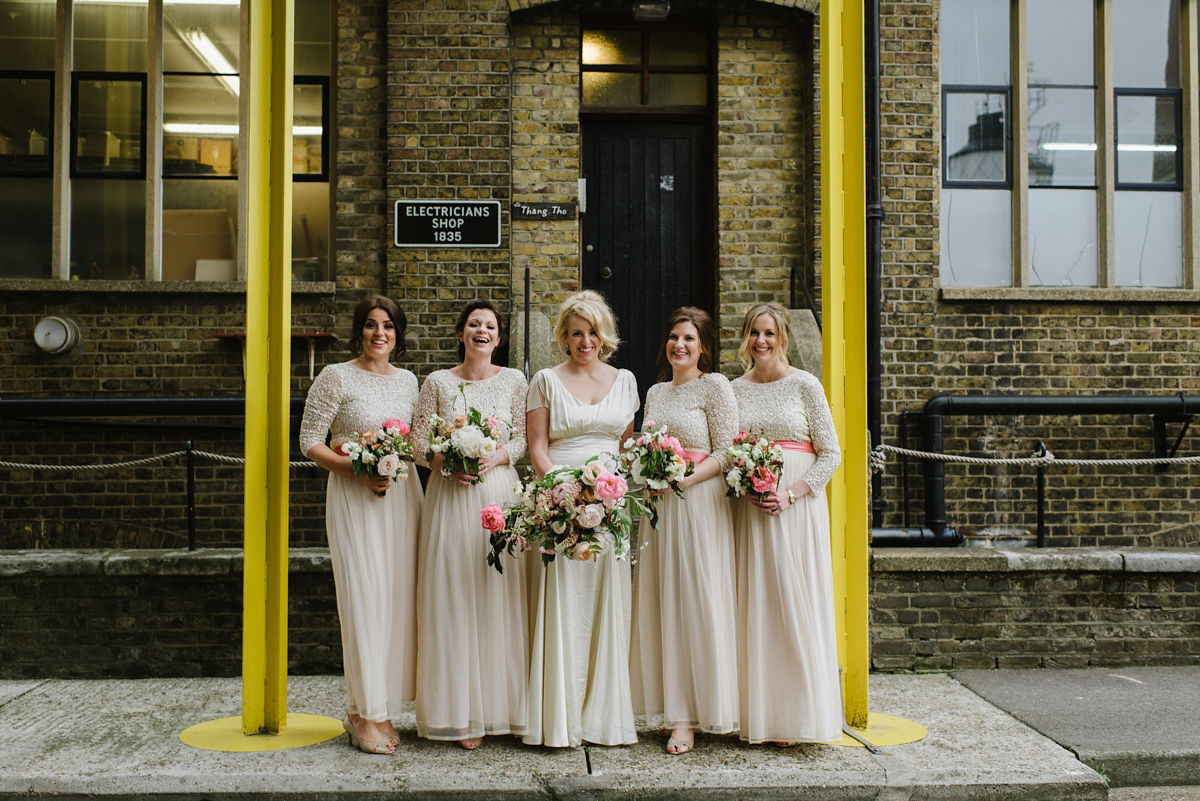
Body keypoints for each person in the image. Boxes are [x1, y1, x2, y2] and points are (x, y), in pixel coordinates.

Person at [298, 296, 422, 755]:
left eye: (387, 326)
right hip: (353, 495)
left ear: (398, 334)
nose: (379, 334)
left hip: (403, 499)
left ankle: (381, 706)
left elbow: (419, 443)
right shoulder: (336, 376)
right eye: (370, 325)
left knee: (396, 600)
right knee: (363, 598)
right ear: (359, 331)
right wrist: (355, 469)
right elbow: (309, 440)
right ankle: (359, 712)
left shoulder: (410, 382)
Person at [523, 289, 640, 748]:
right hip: (562, 503)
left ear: (603, 334)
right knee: (565, 602)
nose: (584, 341)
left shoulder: (626, 380)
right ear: (564, 337)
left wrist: (607, 493)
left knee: (608, 602)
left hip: (611, 507)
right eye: (575, 333)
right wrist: (568, 493)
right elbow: (537, 448)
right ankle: (563, 718)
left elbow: (625, 447)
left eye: (591, 332)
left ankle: (603, 718)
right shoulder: (546, 381)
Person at [412, 300, 529, 749]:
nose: (482, 331)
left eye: (490, 326)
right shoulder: (437, 382)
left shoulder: (515, 381)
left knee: (498, 592)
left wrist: (495, 455)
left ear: (498, 339)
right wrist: (446, 461)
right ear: (462, 334)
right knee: (453, 594)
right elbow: (418, 442)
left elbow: (520, 436)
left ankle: (502, 708)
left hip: (498, 491)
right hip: (449, 497)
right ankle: (459, 714)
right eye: (474, 324)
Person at [729, 300, 842, 746]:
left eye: (769, 333)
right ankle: (756, 710)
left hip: (797, 510)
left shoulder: (805, 385)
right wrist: (748, 485)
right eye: (755, 333)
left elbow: (831, 453)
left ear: (784, 338)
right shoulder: (734, 390)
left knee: (795, 600)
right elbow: (730, 449)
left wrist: (792, 493)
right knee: (756, 602)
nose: (761, 341)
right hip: (753, 510)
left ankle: (796, 715)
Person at [630, 307, 739, 755]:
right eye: (674, 337)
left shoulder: (714, 387)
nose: (680, 345)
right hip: (660, 507)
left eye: (689, 339)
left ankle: (695, 714)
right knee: (664, 600)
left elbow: (729, 449)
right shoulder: (655, 391)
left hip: (699, 503)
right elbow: (645, 442)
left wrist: (689, 479)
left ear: (703, 347)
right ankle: (673, 708)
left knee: (698, 598)